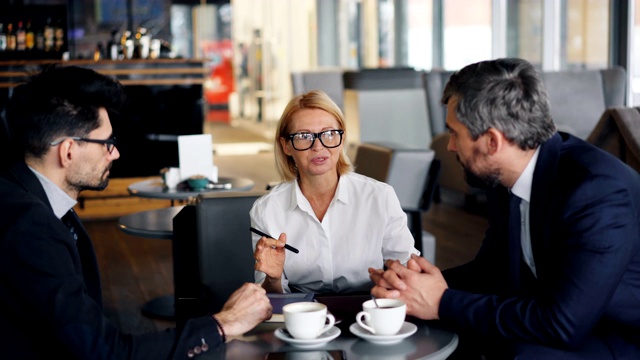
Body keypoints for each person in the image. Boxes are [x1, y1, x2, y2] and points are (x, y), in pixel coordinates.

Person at [369, 58, 640, 359]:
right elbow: (491, 269)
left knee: (512, 352)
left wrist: (441, 301)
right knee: (442, 332)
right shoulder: (505, 178)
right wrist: (414, 284)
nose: (450, 147)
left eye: (455, 133)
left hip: (616, 335)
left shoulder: (596, 190)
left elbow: (564, 323)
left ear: (492, 141)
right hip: (561, 320)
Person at [0, 65, 272, 359]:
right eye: (106, 143)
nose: (114, 153)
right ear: (67, 151)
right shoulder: (29, 229)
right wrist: (224, 323)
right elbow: (105, 352)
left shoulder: (26, 196)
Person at [251, 90, 419, 294]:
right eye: (304, 136)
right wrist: (273, 279)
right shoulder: (266, 210)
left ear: (342, 137)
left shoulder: (380, 197)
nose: (318, 146)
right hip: (300, 313)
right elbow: (271, 295)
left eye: (329, 133)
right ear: (286, 146)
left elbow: (407, 267)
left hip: (368, 307)